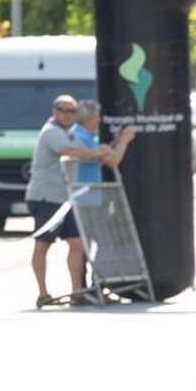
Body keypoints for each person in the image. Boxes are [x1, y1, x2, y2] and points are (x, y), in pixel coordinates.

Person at [24, 94, 115, 309]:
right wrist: (94, 153)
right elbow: (70, 152)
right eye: (62, 110)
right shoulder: (51, 133)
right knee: (43, 245)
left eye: (71, 111)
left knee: (77, 244)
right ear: (55, 111)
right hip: (46, 197)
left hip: (66, 200)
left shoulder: (69, 134)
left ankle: (77, 292)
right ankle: (42, 292)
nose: (67, 115)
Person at [66, 99, 136, 297]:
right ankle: (94, 286)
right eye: (97, 116)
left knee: (88, 246)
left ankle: (87, 288)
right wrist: (124, 140)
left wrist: (110, 146)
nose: (99, 120)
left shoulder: (83, 136)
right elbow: (112, 160)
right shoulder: (80, 137)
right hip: (86, 200)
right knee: (102, 243)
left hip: (89, 199)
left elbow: (103, 155)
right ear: (91, 118)